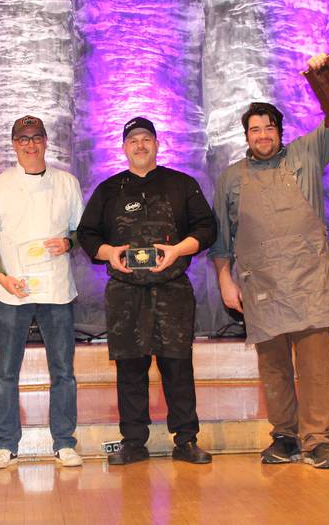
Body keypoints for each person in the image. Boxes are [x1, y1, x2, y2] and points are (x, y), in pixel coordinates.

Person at [209, 53, 329, 469]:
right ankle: (285, 438)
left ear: (279, 131)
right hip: (261, 286)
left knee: (314, 369)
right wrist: (225, 280)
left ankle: (318, 440)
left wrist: (321, 73)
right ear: (246, 136)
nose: (262, 135)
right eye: (255, 130)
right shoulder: (231, 178)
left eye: (269, 127)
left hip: (307, 282)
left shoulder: (307, 153)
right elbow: (221, 238)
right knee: (273, 371)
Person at [77, 116, 216, 465]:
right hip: (125, 294)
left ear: (157, 144)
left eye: (146, 139)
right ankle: (134, 442)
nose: (140, 145)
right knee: (130, 370)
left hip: (173, 292)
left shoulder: (182, 184)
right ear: (124, 148)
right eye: (133, 140)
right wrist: (110, 253)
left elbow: (207, 227)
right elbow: (87, 234)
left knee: (178, 368)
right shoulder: (109, 190)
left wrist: (178, 250)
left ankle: (186, 440)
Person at [0, 115, 84, 468]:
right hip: (13, 291)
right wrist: (0, 275)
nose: (30, 144)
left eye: (36, 137)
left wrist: (67, 243)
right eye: (22, 138)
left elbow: (81, 232)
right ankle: (6, 444)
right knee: (7, 371)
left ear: (46, 141)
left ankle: (65, 441)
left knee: (63, 370)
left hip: (55, 290)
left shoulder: (67, 182)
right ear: (14, 144)